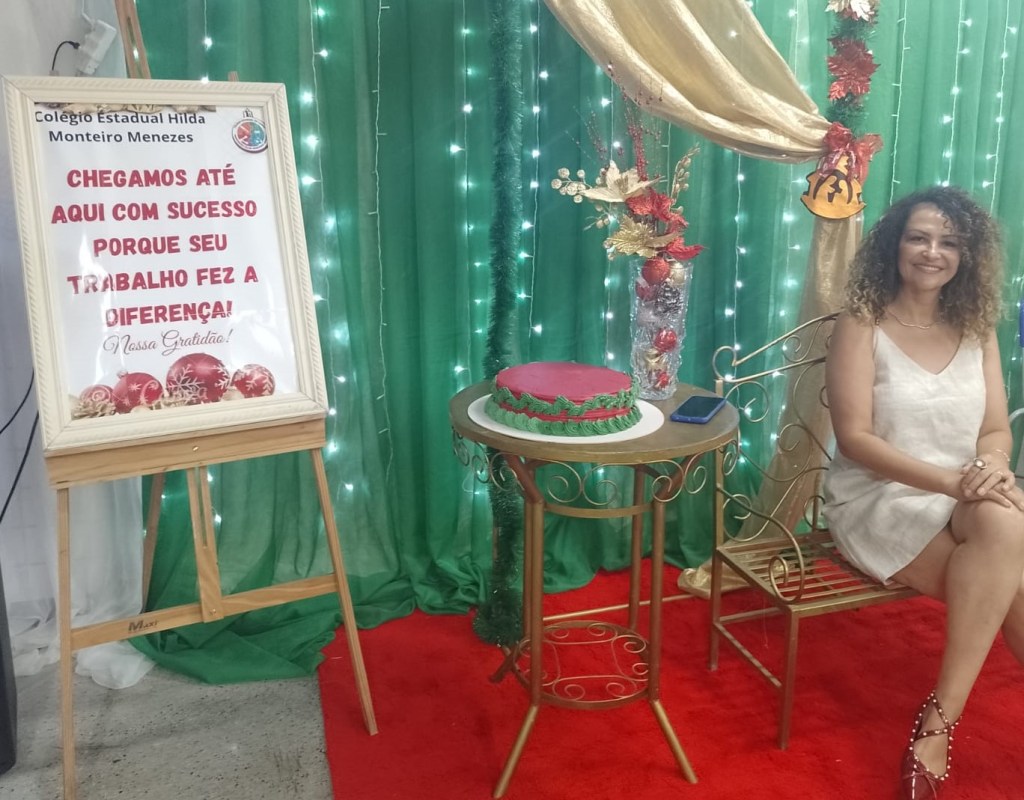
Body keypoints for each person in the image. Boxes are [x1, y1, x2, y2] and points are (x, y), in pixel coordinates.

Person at [822, 185, 1024, 800]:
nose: (933, 252)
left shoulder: (976, 327)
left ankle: (939, 717)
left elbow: (995, 429)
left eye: (949, 242)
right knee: (1012, 568)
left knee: (1006, 526)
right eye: (919, 237)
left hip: (964, 490)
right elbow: (855, 439)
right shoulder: (862, 323)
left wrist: (992, 466)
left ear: (966, 255)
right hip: (880, 496)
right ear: (895, 244)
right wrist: (955, 482)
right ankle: (935, 728)